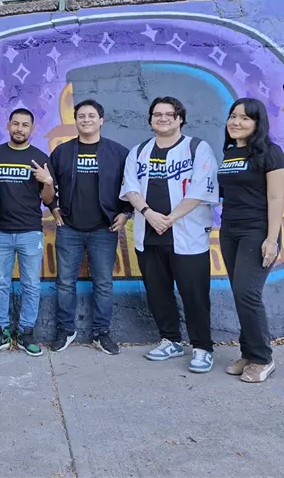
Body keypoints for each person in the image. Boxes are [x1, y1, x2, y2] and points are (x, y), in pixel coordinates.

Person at [120, 96, 219, 374]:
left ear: (180, 119)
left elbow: (200, 190)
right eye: (157, 114)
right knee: (158, 292)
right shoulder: (138, 151)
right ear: (150, 119)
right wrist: (150, 214)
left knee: (195, 293)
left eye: (169, 114)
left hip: (188, 236)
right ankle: (171, 340)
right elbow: (131, 187)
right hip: (149, 235)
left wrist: (171, 219)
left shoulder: (197, 148)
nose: (162, 118)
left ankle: (202, 347)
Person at [48, 99, 132, 355]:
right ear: (76, 120)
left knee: (104, 283)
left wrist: (126, 213)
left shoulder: (118, 152)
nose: (86, 120)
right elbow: (47, 185)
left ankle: (101, 333)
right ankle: (65, 330)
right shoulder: (62, 153)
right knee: (64, 283)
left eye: (91, 116)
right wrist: (52, 207)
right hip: (69, 228)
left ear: (101, 120)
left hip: (103, 230)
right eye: (81, 116)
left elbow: (131, 187)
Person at [218, 98, 284, 383]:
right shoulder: (230, 153)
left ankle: (263, 358)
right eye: (233, 116)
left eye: (245, 118)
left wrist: (272, 239)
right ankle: (248, 353)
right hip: (230, 230)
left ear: (257, 123)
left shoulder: (271, 153)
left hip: (258, 231)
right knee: (239, 294)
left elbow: (276, 198)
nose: (236, 122)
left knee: (248, 293)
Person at [0, 108, 55, 358]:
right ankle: (1, 331)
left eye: (25, 125)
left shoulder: (39, 157)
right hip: (0, 231)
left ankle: (26, 332)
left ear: (32, 129)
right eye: (16, 123)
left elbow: (48, 199)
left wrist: (47, 182)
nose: (20, 128)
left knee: (31, 285)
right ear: (8, 125)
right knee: (1, 283)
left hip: (30, 232)